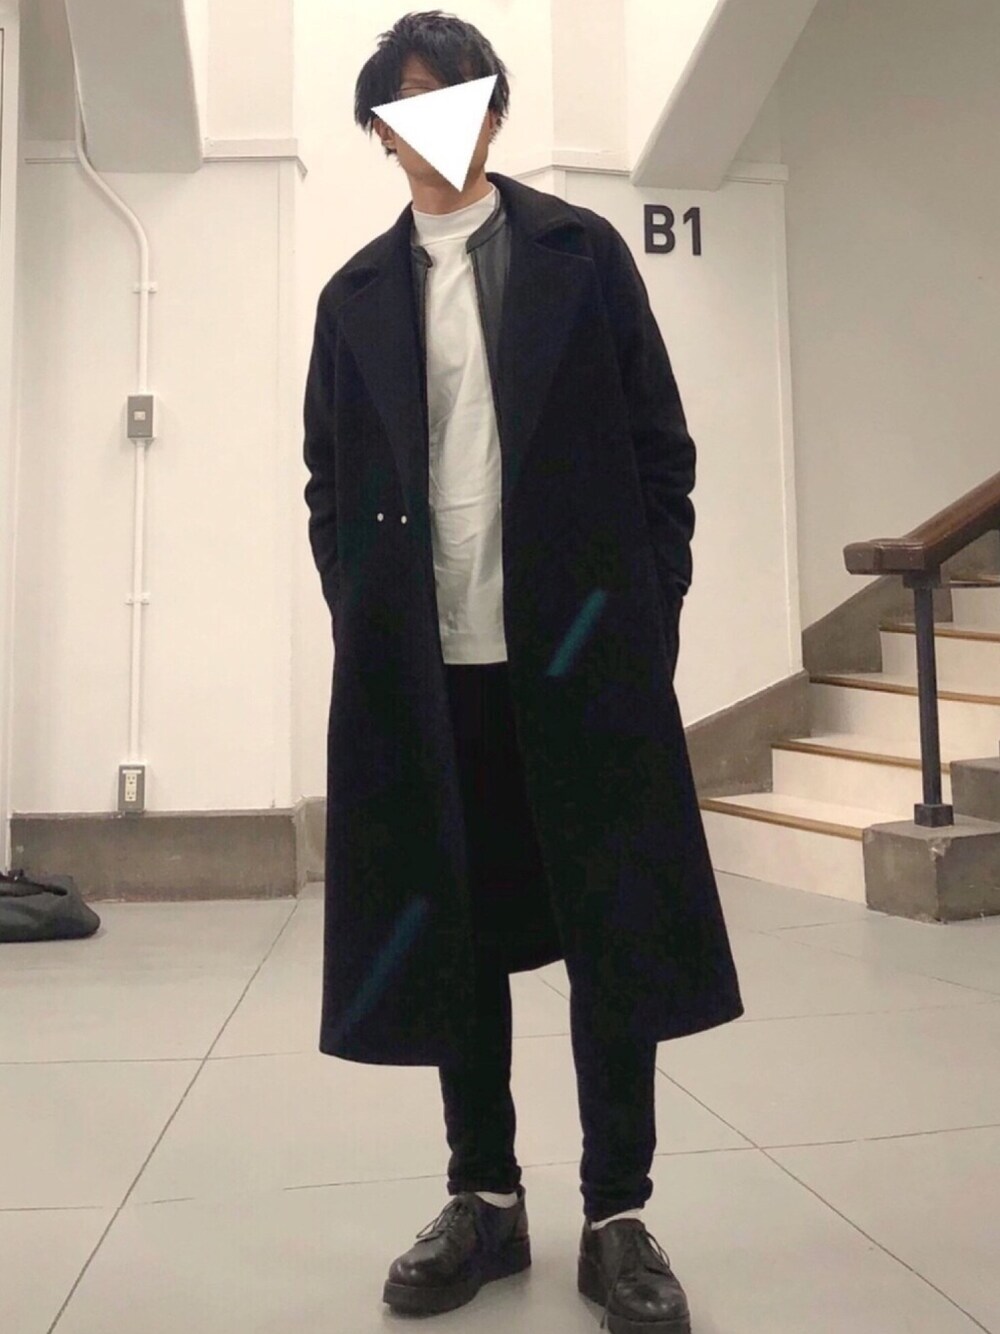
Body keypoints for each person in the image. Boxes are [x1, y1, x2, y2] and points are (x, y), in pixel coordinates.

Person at [302, 11, 743, 1332]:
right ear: (382, 133)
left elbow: (662, 456)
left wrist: (646, 625)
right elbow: (330, 488)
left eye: (458, 100)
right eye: (406, 106)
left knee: (612, 925)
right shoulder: (353, 299)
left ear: (492, 115)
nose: (434, 127)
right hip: (432, 676)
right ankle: (485, 1196)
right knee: (457, 933)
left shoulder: (581, 255)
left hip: (579, 665)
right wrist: (365, 618)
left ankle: (618, 1212)